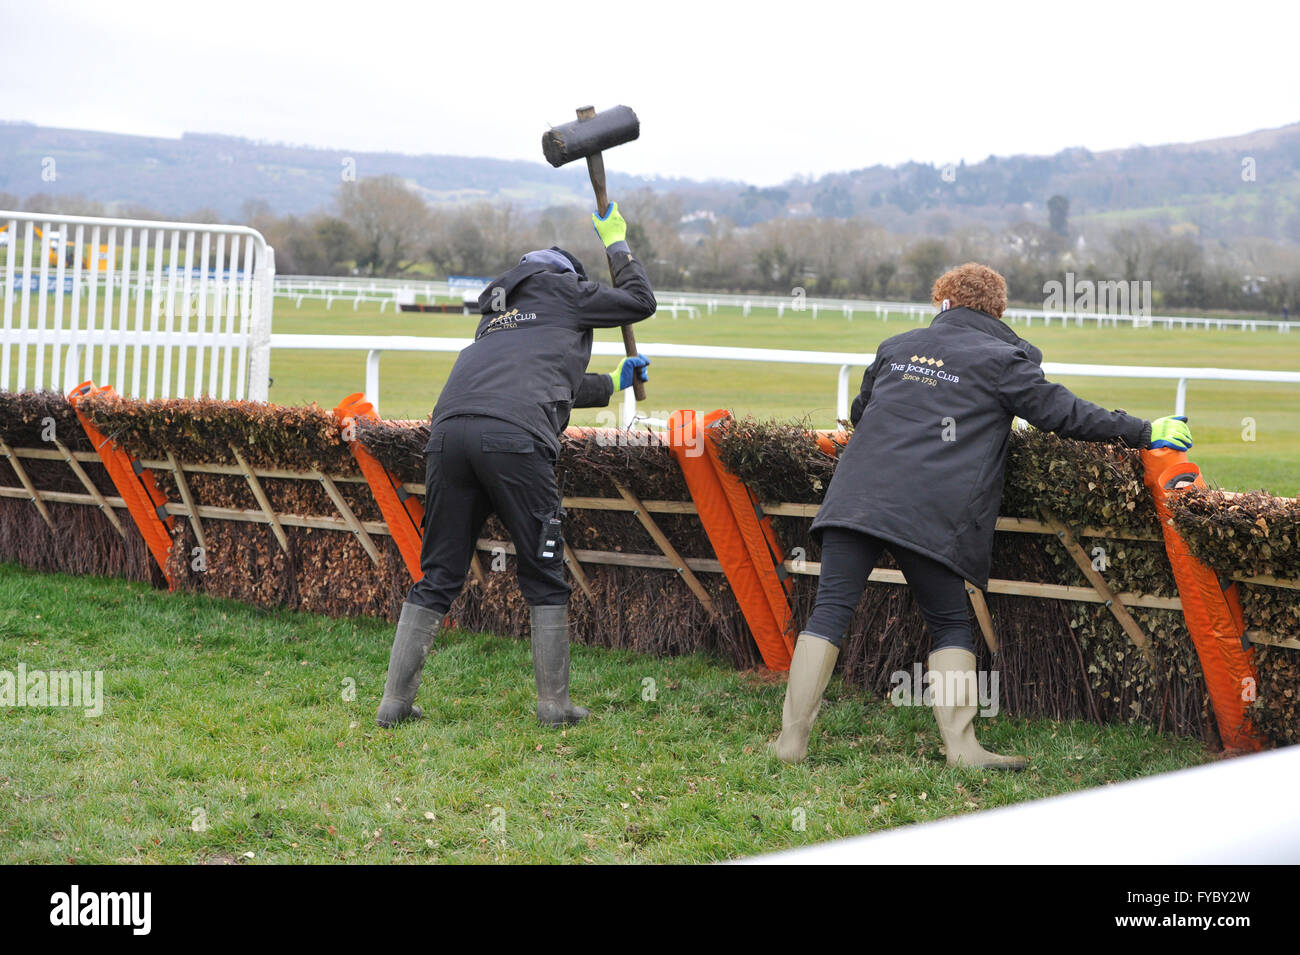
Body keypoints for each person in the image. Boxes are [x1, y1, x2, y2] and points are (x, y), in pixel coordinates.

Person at [773, 263, 1192, 769]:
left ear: (943, 302)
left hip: (855, 499)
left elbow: (863, 415)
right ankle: (962, 749)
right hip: (932, 511)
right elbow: (1063, 413)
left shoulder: (897, 347)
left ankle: (790, 744)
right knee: (949, 622)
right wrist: (1145, 431)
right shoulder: (1004, 358)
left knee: (828, 614)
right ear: (997, 311)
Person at [377, 203, 656, 729]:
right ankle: (554, 707)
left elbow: (537, 380)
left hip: (450, 433)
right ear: (568, 275)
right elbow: (641, 302)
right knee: (544, 572)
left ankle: (394, 703)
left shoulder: (498, 308)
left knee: (438, 573)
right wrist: (618, 241)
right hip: (514, 441)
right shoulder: (565, 289)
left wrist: (613, 382)